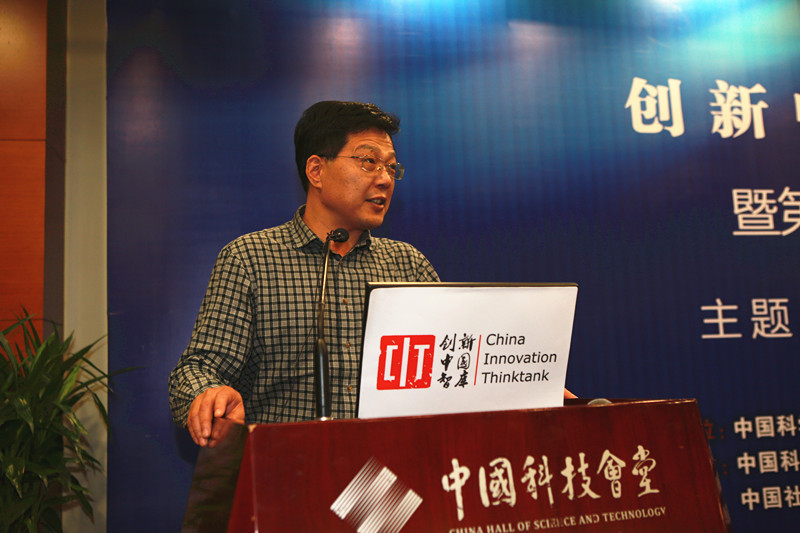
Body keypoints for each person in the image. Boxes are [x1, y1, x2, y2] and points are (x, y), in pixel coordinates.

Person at [168, 101, 440, 446]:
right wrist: (209, 394)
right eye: (369, 162)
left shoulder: (409, 265)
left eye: (391, 167)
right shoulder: (251, 259)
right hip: (286, 468)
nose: (385, 179)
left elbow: (446, 369)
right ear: (316, 170)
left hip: (388, 468)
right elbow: (197, 369)